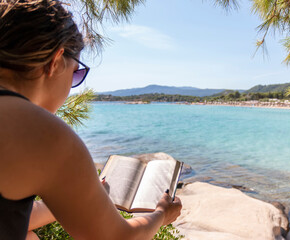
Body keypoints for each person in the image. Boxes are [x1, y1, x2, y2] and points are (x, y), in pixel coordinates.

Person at [0, 1, 182, 239]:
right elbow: (117, 237)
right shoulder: (41, 132)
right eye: (77, 72)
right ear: (55, 60)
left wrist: (79, 196)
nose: (72, 86)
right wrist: (162, 214)